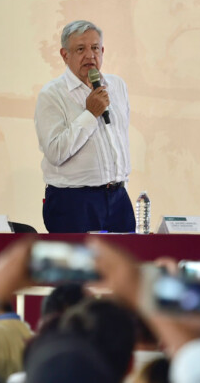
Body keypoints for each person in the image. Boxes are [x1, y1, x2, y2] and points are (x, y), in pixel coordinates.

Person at [34, 20, 134, 233]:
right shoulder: (52, 94)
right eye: (81, 49)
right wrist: (90, 114)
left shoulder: (117, 87)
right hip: (73, 203)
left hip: (118, 199)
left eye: (95, 48)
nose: (90, 55)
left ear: (103, 51)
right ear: (64, 55)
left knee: (124, 265)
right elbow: (55, 152)